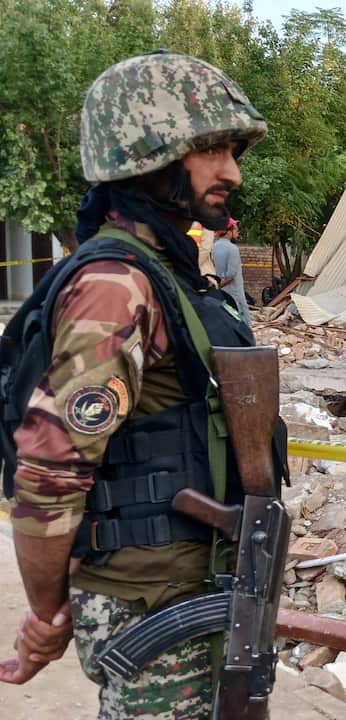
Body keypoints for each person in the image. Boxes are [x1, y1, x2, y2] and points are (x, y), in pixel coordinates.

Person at [0, 52, 267, 716]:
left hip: (197, 592)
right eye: (211, 149)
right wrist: (46, 613)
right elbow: (50, 473)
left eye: (231, 150)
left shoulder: (167, 270)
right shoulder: (116, 285)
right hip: (151, 608)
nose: (231, 170)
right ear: (144, 153)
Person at [212, 217, 250, 319]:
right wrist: (221, 284)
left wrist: (216, 286)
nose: (237, 231)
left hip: (220, 294)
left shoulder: (213, 247)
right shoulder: (233, 249)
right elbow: (231, 275)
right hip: (235, 294)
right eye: (235, 229)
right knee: (242, 322)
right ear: (228, 232)